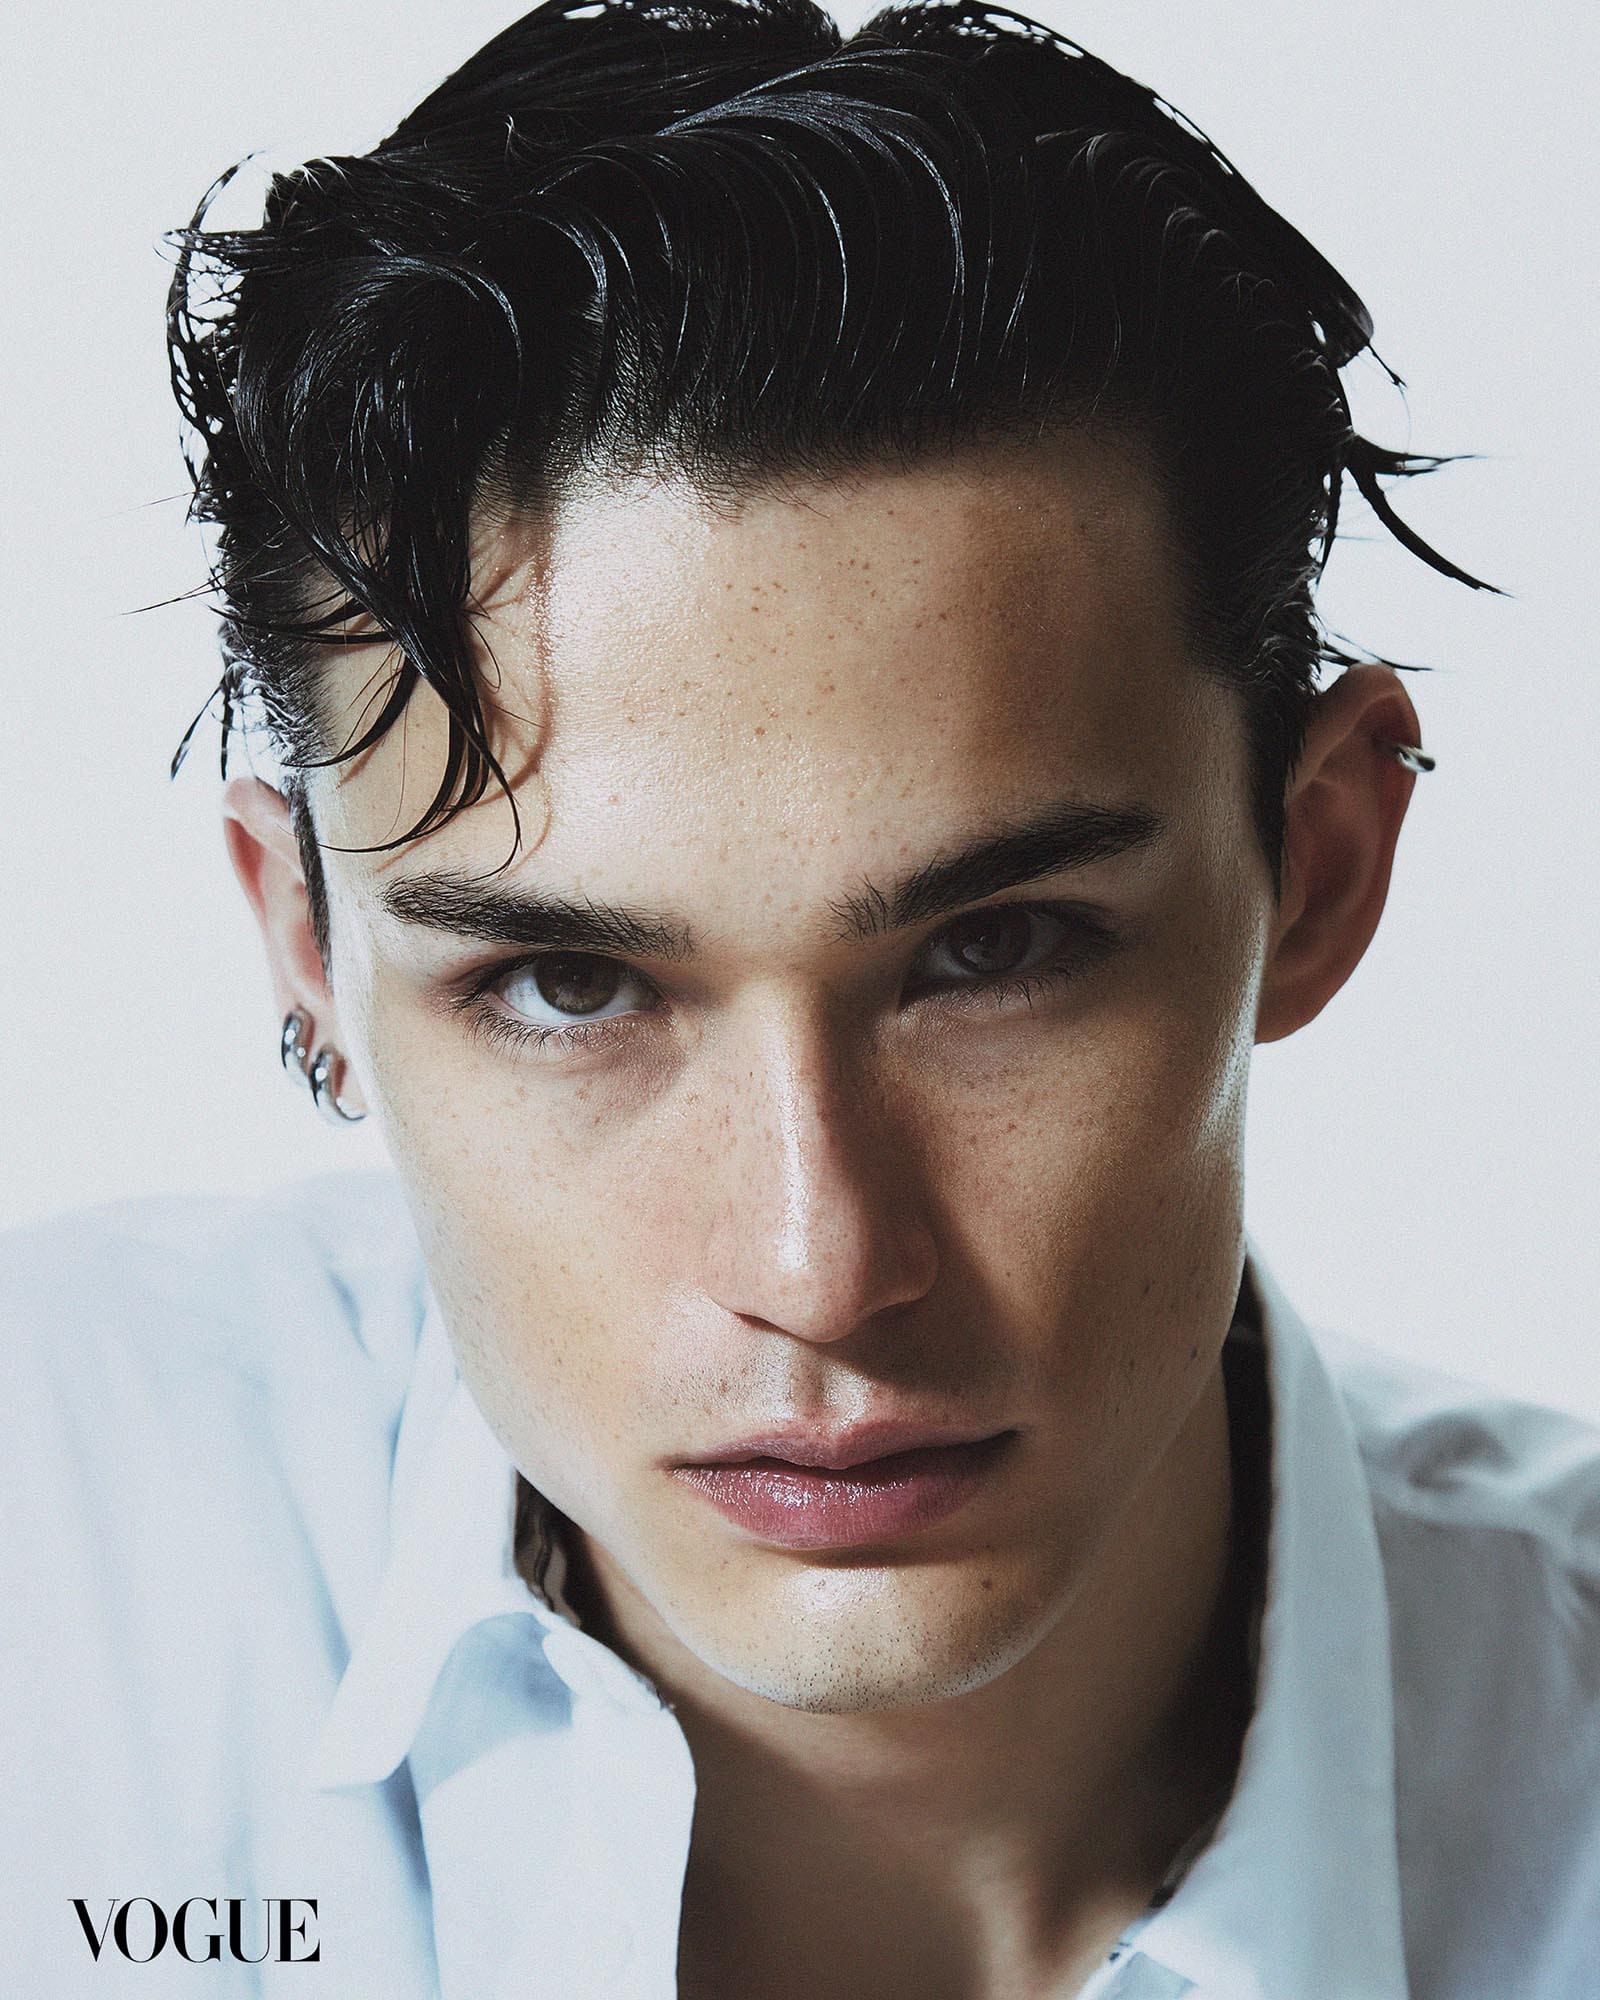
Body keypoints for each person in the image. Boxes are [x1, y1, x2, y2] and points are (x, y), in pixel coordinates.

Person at [3, 1, 1595, 1994]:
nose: (818, 1266)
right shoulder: (40, 1580)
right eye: (566, 981)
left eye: (990, 951)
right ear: (311, 947)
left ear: (1321, 868)